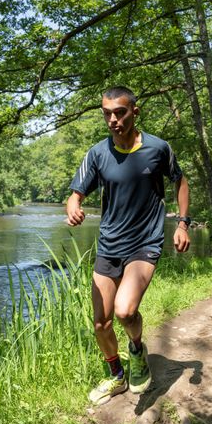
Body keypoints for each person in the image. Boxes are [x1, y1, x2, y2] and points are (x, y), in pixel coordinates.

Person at [66, 86, 191, 405]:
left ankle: (136, 348)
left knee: (125, 310)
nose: (112, 119)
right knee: (101, 322)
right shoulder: (97, 153)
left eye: (119, 112)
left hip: (144, 242)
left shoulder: (158, 148)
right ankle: (117, 377)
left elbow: (180, 180)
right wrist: (73, 204)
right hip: (110, 244)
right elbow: (77, 192)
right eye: (106, 113)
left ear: (135, 111)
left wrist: (182, 223)